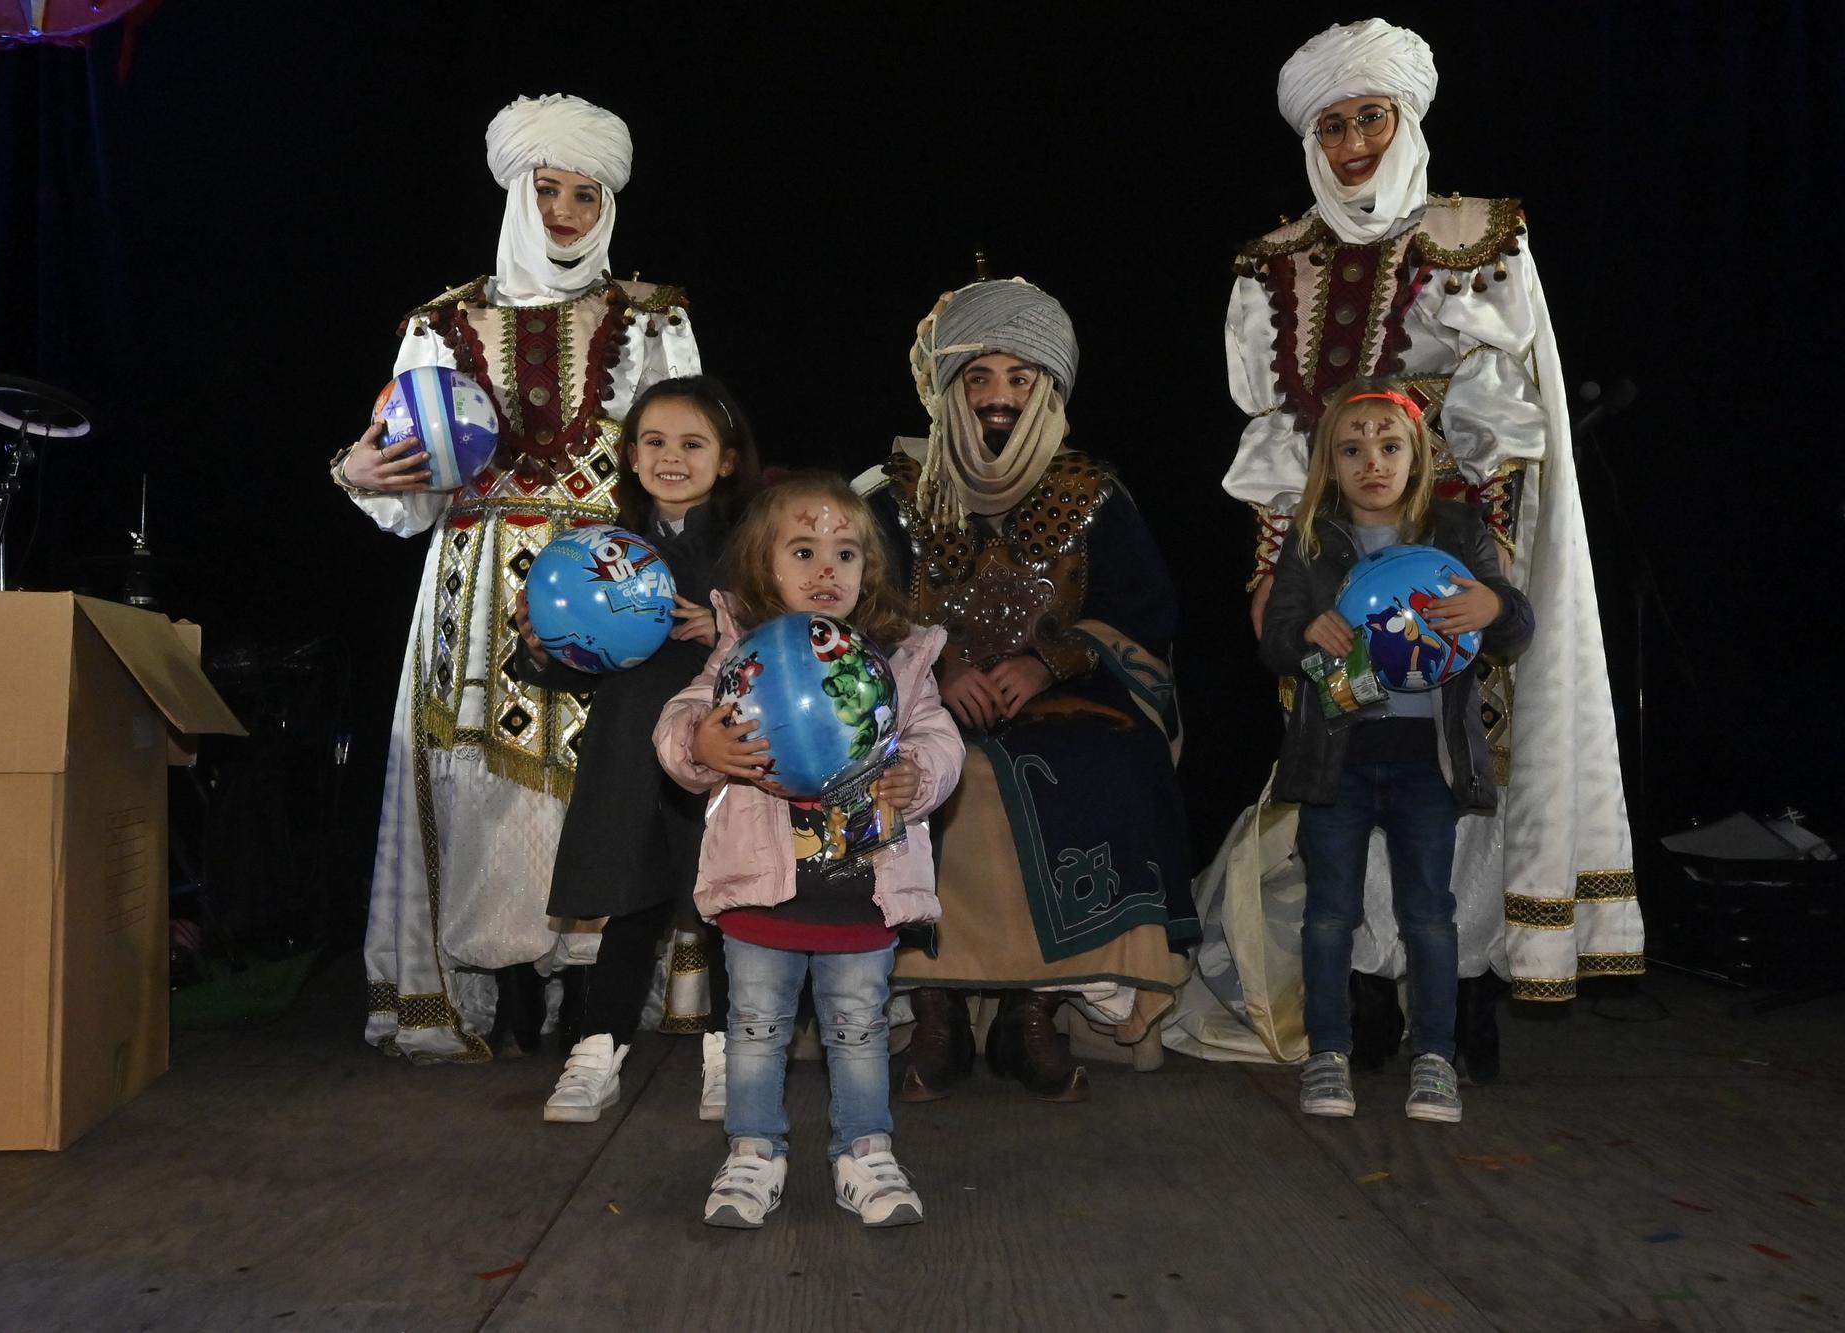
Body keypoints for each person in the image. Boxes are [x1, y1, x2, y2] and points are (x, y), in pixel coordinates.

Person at [1219, 19, 1640, 1029]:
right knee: (1343, 749)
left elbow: (1503, 425)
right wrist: (1271, 574)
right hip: (1332, 556)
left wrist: (1477, 583)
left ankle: (1466, 989)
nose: (1353, 143)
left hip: (1445, 553)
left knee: (1458, 767)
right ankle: (1362, 984)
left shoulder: (1474, 235)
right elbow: (1277, 441)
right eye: (1332, 126)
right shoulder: (1272, 262)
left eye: (1370, 117)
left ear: (1404, 118)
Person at [332, 93, 700, 1062]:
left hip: (610, 583)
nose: (568, 211)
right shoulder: (439, 326)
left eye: (587, 193)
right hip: (475, 583)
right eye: (549, 191)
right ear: (516, 196)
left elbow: (687, 459)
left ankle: (589, 987)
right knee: (482, 790)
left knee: (602, 782)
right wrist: (360, 473)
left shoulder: (654, 321)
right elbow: (404, 480)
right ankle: (504, 994)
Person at [861, 279, 1197, 1104]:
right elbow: (849, 606)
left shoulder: (1095, 493)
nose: (999, 397)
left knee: (1110, 760)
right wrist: (933, 670)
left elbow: (1147, 614)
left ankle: (1034, 1012)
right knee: (924, 769)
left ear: (1048, 387)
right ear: (948, 389)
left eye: (1019, 378)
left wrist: (1049, 662)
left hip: (1064, 697)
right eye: (978, 378)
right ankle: (932, 1010)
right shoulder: (888, 492)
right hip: (917, 699)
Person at [654, 472, 964, 1229]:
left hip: (863, 893)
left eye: (846, 553)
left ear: (870, 571)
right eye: (803, 550)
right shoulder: (739, 655)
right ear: (766, 567)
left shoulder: (901, 657)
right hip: (762, 892)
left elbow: (940, 737)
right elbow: (678, 723)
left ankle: (865, 1149)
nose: (827, 569)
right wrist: (702, 741)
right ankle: (754, 1150)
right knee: (755, 1030)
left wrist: (918, 775)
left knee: (858, 1029)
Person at [1259, 382, 1533, 1121]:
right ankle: (1327, 1055)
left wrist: (1494, 605)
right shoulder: (1312, 538)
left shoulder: (1459, 531)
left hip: (1427, 760)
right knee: (1328, 914)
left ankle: (1435, 1059)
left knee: (1429, 914)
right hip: (1336, 758)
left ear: (1419, 455)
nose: (1371, 463)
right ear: (1329, 463)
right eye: (1351, 450)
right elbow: (1275, 641)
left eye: (1389, 446)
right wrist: (1306, 633)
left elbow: (1514, 630)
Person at [506, 375, 757, 1122]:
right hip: (628, 750)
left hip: (720, 754)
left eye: (692, 443)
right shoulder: (598, 550)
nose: (671, 458)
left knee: (721, 905)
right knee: (631, 904)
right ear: (631, 455)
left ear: (728, 459)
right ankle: (596, 1052)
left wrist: (725, 631)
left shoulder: (753, 550)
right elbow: (572, 663)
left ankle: (729, 1056)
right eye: (653, 442)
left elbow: (794, 639)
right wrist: (543, 646)